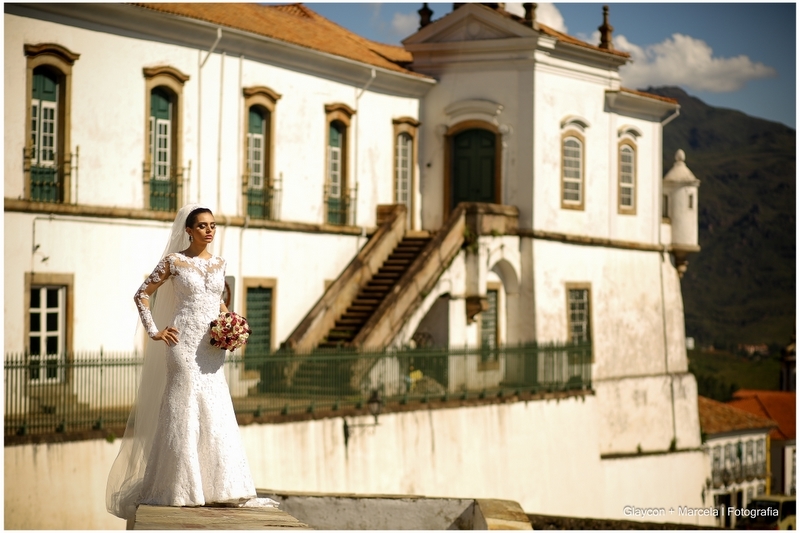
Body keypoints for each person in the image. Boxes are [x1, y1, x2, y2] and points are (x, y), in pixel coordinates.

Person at [106, 203, 276, 524]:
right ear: (188, 230)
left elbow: (218, 300)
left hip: (212, 346)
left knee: (214, 405)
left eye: (212, 225)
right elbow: (142, 294)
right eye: (202, 226)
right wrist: (155, 331)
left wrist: (230, 324)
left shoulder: (220, 263)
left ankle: (219, 486)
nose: (209, 231)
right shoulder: (174, 261)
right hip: (182, 343)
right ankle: (180, 487)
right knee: (183, 404)